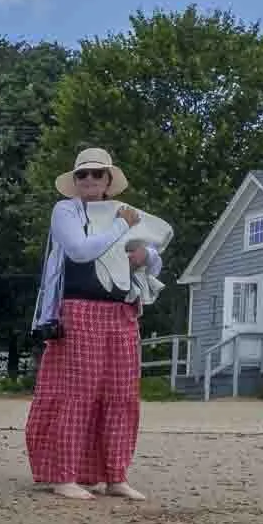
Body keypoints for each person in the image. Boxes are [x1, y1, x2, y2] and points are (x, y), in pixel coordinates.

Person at [24, 147, 164, 502]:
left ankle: (114, 475)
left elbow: (154, 256)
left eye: (97, 174)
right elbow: (80, 251)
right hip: (78, 309)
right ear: (74, 181)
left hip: (121, 311)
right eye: (83, 175)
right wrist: (122, 227)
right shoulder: (66, 210)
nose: (89, 180)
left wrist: (145, 255)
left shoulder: (124, 213)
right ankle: (64, 475)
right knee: (78, 393)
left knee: (122, 395)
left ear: (107, 180)